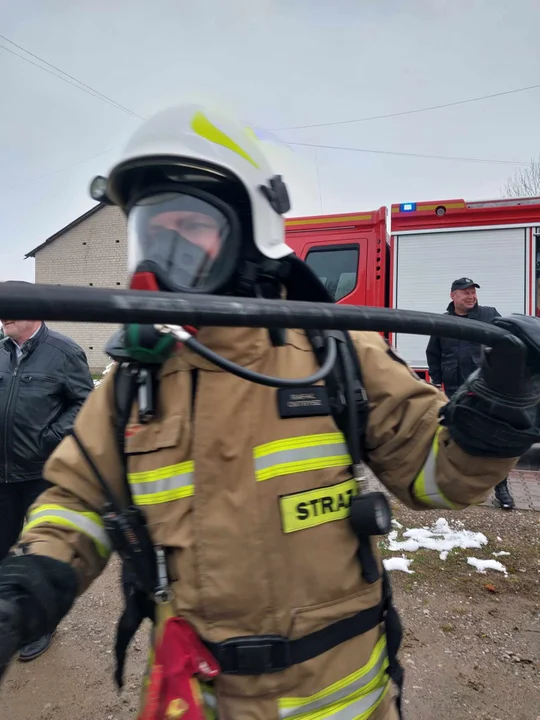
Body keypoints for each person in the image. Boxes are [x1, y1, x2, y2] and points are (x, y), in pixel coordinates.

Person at [1, 106, 540, 720]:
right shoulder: (135, 382)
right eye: (152, 234)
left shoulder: (334, 354)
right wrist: (29, 587)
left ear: (247, 231)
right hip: (195, 696)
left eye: (188, 229)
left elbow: (439, 476)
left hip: (336, 698)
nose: (159, 259)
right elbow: (74, 497)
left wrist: (501, 399)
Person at [0, 301, 94, 661]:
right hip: (2, 474)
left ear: (35, 312)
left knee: (41, 550)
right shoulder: (2, 351)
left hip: (41, 473)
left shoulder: (64, 352)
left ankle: (39, 626)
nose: (4, 317)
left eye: (11, 311)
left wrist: (48, 436)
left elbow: (85, 404)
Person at [425, 277, 515, 509]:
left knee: (492, 435)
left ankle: (501, 487)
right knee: (459, 435)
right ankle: (459, 484)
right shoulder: (442, 322)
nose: (471, 296)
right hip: (455, 388)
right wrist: (436, 380)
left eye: (473, 292)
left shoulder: (489, 314)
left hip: (485, 387)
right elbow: (433, 353)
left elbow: (507, 342)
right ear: (452, 296)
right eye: (465, 292)